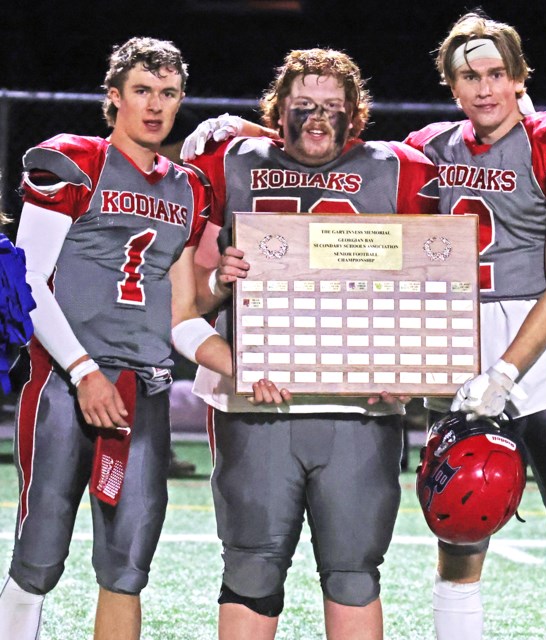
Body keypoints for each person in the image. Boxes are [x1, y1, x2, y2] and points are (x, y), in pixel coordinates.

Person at [0, 37, 270, 640]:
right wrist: (82, 370)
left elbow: (180, 315)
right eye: (142, 91)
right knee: (41, 548)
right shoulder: (76, 162)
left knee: (127, 563)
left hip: (142, 390)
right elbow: (29, 283)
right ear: (114, 97)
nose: (155, 105)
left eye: (169, 93)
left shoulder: (187, 188)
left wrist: (232, 327)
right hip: (66, 389)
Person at [181, 48, 439, 640]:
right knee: (250, 563)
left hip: (361, 407)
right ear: (278, 112)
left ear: (356, 115)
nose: (317, 119)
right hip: (255, 402)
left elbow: (441, 275)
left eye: (332, 107)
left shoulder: (400, 167)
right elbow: (189, 301)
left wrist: (416, 366)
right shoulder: (230, 161)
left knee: (354, 570)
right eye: (302, 107)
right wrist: (221, 277)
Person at [403, 11, 546, 640]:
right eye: (469, 76)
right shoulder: (427, 149)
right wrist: (253, 130)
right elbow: (341, 159)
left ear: (519, 76)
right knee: (458, 540)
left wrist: (505, 372)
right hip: (462, 354)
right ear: (451, 85)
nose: (483, 88)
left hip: (545, 358)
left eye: (496, 73)